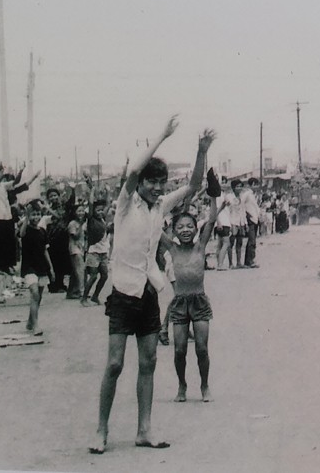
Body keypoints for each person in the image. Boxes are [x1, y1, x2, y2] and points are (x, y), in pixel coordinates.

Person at [89, 117, 213, 455]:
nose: (159, 188)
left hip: (147, 293)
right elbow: (132, 172)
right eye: (153, 182)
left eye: (162, 182)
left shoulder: (161, 206)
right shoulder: (125, 204)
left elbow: (194, 184)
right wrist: (162, 135)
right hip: (122, 293)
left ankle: (144, 430)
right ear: (141, 182)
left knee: (148, 364)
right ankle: (101, 430)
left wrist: (201, 151)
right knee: (115, 364)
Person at [161, 191, 219, 403]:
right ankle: (182, 385)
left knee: (202, 348)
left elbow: (211, 220)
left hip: (199, 301)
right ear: (174, 231)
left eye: (189, 226)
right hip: (179, 304)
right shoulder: (172, 249)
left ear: (196, 229)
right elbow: (154, 228)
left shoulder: (200, 246)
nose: (185, 230)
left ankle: (204, 385)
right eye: (180, 227)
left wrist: (213, 197)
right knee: (179, 350)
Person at [18, 200, 52, 335]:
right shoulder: (25, 229)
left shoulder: (43, 231)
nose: (35, 217)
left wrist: (51, 269)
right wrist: (26, 216)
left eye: (38, 214)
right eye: (33, 215)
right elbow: (21, 234)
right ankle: (36, 325)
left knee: (38, 297)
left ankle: (30, 321)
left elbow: (45, 251)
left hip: (41, 267)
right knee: (34, 293)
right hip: (29, 267)